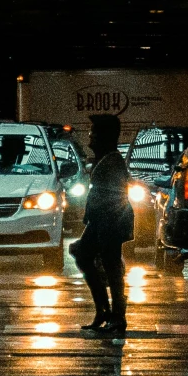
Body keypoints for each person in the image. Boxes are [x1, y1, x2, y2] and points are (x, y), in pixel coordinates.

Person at [72, 114, 134, 336]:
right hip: (100, 222)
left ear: (103, 137)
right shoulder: (104, 160)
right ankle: (105, 311)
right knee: (86, 258)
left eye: (93, 133)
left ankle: (116, 314)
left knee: (112, 266)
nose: (89, 137)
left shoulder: (112, 162)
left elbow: (113, 198)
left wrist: (99, 224)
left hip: (108, 223)